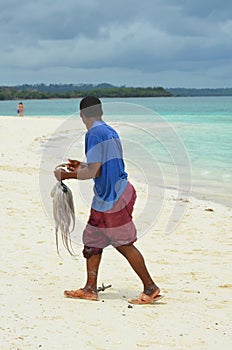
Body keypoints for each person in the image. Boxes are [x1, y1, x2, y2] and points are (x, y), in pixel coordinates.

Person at [54, 96, 162, 304]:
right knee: (92, 241)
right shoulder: (109, 131)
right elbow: (101, 165)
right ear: (101, 112)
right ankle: (90, 289)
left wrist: (66, 176)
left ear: (82, 114)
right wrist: (82, 165)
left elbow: (95, 171)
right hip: (110, 195)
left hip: (113, 198)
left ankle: (150, 287)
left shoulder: (93, 133)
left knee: (123, 243)